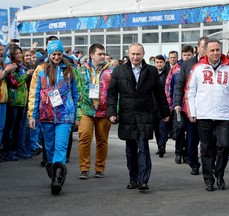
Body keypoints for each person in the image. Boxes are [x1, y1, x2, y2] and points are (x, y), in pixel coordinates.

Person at [107, 43, 170, 191]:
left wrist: (165, 113)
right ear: (128, 54)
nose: (135, 57)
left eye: (138, 54)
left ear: (143, 55)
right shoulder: (119, 70)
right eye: (133, 54)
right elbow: (112, 93)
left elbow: (160, 94)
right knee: (130, 149)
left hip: (145, 113)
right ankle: (133, 179)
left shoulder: (151, 71)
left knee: (143, 147)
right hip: (127, 114)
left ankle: (143, 180)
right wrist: (111, 112)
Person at [186, 38, 229, 191]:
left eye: (218, 49)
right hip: (203, 114)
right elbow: (190, 91)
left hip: (223, 115)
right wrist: (191, 111)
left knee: (224, 146)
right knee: (206, 148)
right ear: (205, 51)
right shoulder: (198, 68)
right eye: (212, 50)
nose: (215, 53)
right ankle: (208, 179)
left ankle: (220, 173)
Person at [28, 40, 79, 195]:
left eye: (59, 54)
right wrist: (32, 115)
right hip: (46, 115)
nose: (57, 57)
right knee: (49, 148)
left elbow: (76, 94)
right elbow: (34, 93)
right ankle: (53, 168)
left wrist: (76, 115)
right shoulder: (40, 70)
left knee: (61, 146)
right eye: (54, 54)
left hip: (65, 115)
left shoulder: (70, 70)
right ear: (49, 54)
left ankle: (57, 178)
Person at [76, 43, 113, 179]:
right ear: (92, 55)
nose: (103, 56)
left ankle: (99, 168)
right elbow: (77, 92)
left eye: (104, 54)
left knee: (102, 141)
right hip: (86, 111)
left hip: (104, 112)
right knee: (84, 138)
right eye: (100, 54)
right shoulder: (81, 71)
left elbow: (115, 93)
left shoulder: (111, 71)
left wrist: (114, 111)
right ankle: (84, 168)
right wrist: (77, 112)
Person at [174, 36, 208, 175]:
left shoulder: (214, 64)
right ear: (197, 48)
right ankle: (194, 163)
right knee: (192, 138)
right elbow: (180, 85)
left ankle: (208, 163)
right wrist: (177, 103)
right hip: (191, 107)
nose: (206, 50)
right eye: (203, 47)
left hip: (209, 107)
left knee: (209, 139)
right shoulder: (188, 64)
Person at [153, 54, 169, 157]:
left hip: (163, 105)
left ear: (164, 63)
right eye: (157, 62)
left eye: (161, 62)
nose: (159, 64)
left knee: (163, 127)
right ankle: (160, 145)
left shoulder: (168, 74)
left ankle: (162, 145)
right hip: (153, 106)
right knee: (156, 129)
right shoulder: (151, 74)